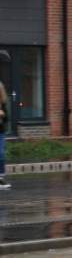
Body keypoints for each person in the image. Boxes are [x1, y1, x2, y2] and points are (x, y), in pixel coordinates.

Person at [0, 51, 9, 191]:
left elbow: (7, 118)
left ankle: (1, 177)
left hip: (0, 131)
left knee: (1, 154)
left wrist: (2, 114)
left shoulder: (3, 104)